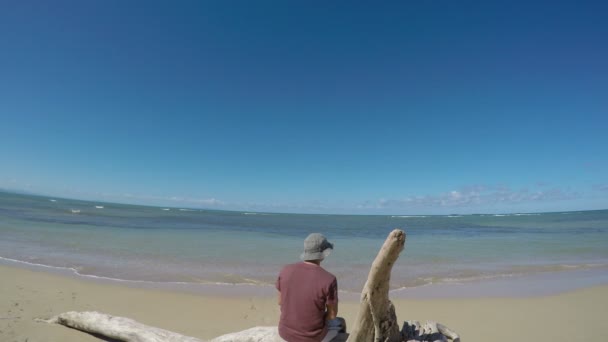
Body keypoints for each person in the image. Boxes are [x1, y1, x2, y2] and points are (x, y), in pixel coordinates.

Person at [276, 233, 342, 342]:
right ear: (324, 254)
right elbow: (332, 315)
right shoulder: (329, 279)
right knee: (340, 323)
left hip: (285, 333)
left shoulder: (285, 270)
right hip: (312, 338)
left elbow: (280, 302)